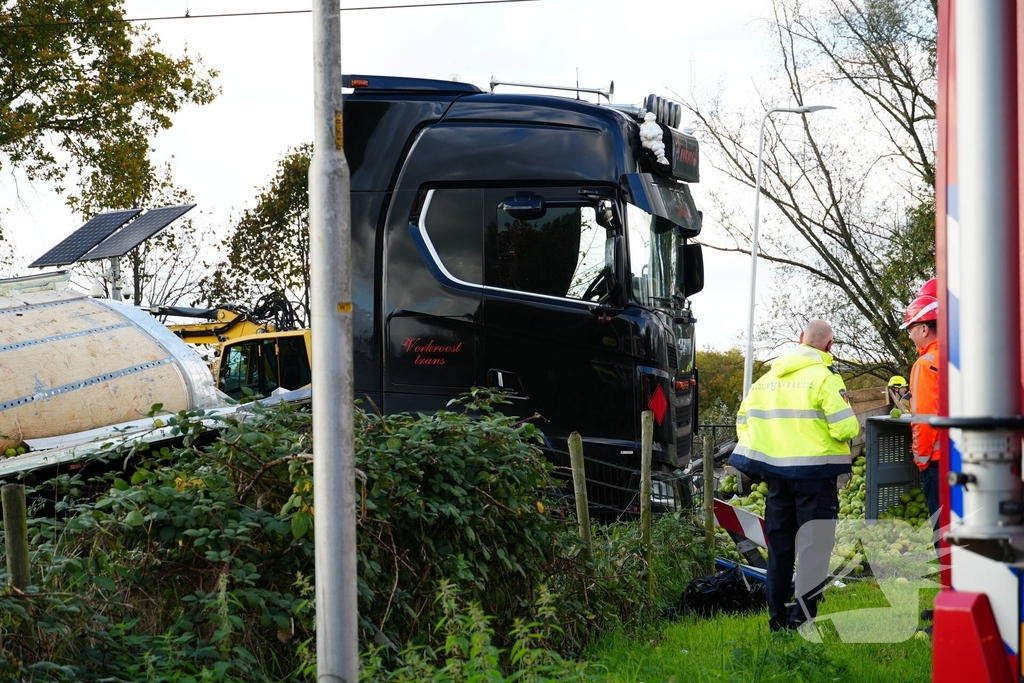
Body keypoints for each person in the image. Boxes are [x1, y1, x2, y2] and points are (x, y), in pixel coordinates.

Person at [730, 319, 860, 632]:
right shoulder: (825, 377)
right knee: (814, 549)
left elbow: (744, 421)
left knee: (780, 549)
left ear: (801, 338)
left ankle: (777, 621)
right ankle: (802, 620)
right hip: (815, 476)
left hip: (777, 477)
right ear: (829, 345)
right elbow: (845, 428)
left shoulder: (767, 379)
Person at [900, 294, 941, 524]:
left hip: (937, 461)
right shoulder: (959, 356)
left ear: (924, 329)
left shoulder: (925, 365)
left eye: (910, 328)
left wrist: (921, 460)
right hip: (964, 455)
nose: (909, 335)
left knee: (943, 530)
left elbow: (924, 417)